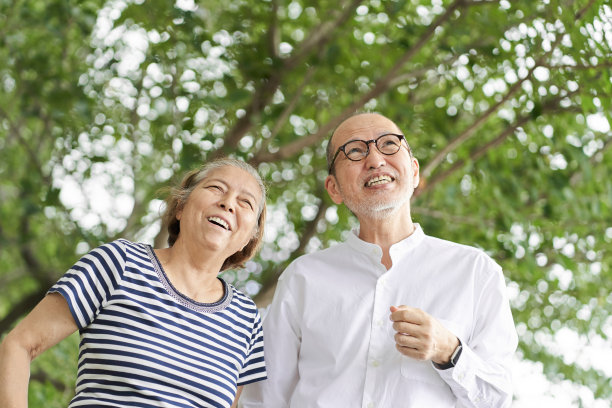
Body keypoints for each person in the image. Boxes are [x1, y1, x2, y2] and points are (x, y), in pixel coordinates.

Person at [241, 113, 518, 407]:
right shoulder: (302, 278)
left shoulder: (476, 272)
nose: (374, 159)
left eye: (388, 144)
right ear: (334, 188)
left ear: (413, 171)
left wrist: (449, 350)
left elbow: (496, 399)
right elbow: (264, 400)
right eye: (355, 151)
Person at [0, 158, 268, 408]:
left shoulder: (246, 319)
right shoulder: (120, 262)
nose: (229, 203)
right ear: (181, 206)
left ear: (251, 237)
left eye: (246, 203)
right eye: (216, 188)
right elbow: (19, 346)